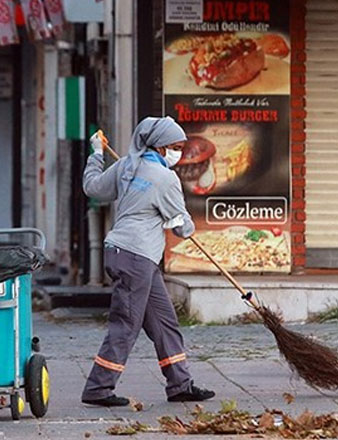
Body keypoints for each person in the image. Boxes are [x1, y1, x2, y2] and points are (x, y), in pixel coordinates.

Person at [80, 117, 216, 407]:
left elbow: (93, 188)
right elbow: (181, 227)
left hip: (129, 254)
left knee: (164, 322)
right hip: (135, 257)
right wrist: (186, 223)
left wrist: (96, 154)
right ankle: (98, 388)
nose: (179, 153)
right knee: (126, 324)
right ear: (160, 146)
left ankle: (180, 384)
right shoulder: (165, 178)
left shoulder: (126, 165)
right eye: (176, 147)